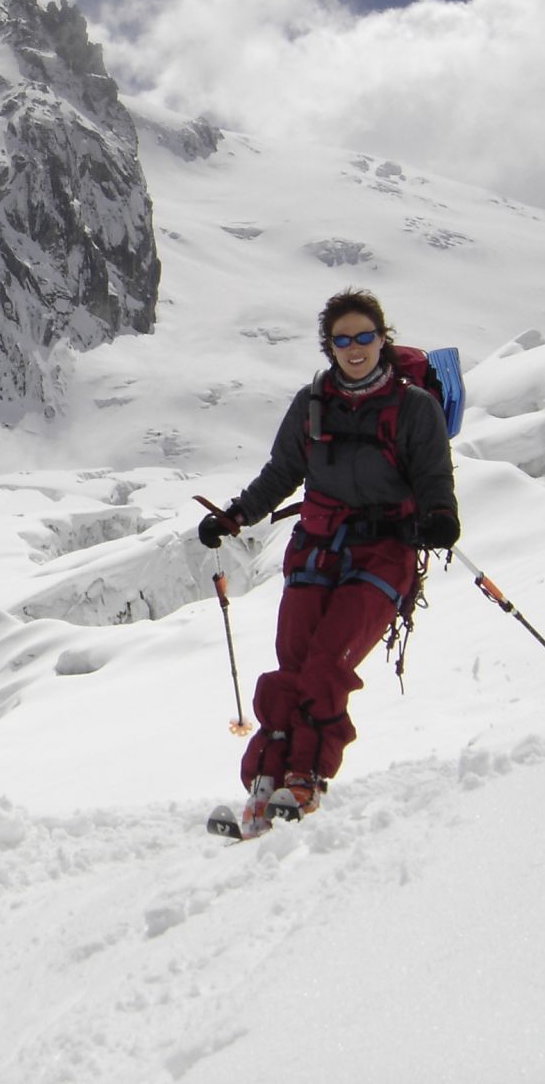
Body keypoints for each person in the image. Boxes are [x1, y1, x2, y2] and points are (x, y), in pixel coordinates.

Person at [198, 288, 458, 833]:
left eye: (365, 336)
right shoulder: (312, 403)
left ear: (383, 339)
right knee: (291, 667)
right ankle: (266, 779)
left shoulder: (415, 407)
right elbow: (281, 472)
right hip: (317, 549)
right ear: (329, 347)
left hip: (384, 553)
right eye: (343, 340)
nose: (355, 348)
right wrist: (235, 516)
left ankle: (306, 776)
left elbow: (434, 476)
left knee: (325, 666)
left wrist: (439, 517)